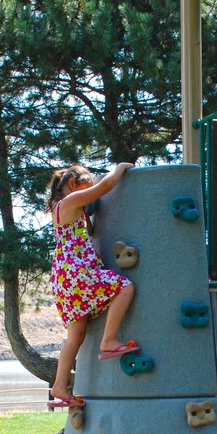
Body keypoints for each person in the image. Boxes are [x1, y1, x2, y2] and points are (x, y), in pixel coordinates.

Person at [47, 163, 138, 407]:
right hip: (76, 272)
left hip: (64, 277)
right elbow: (106, 185)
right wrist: (120, 168)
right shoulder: (70, 201)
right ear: (74, 185)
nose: (93, 185)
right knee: (125, 287)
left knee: (75, 335)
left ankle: (59, 386)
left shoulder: (64, 209)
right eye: (89, 181)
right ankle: (108, 340)